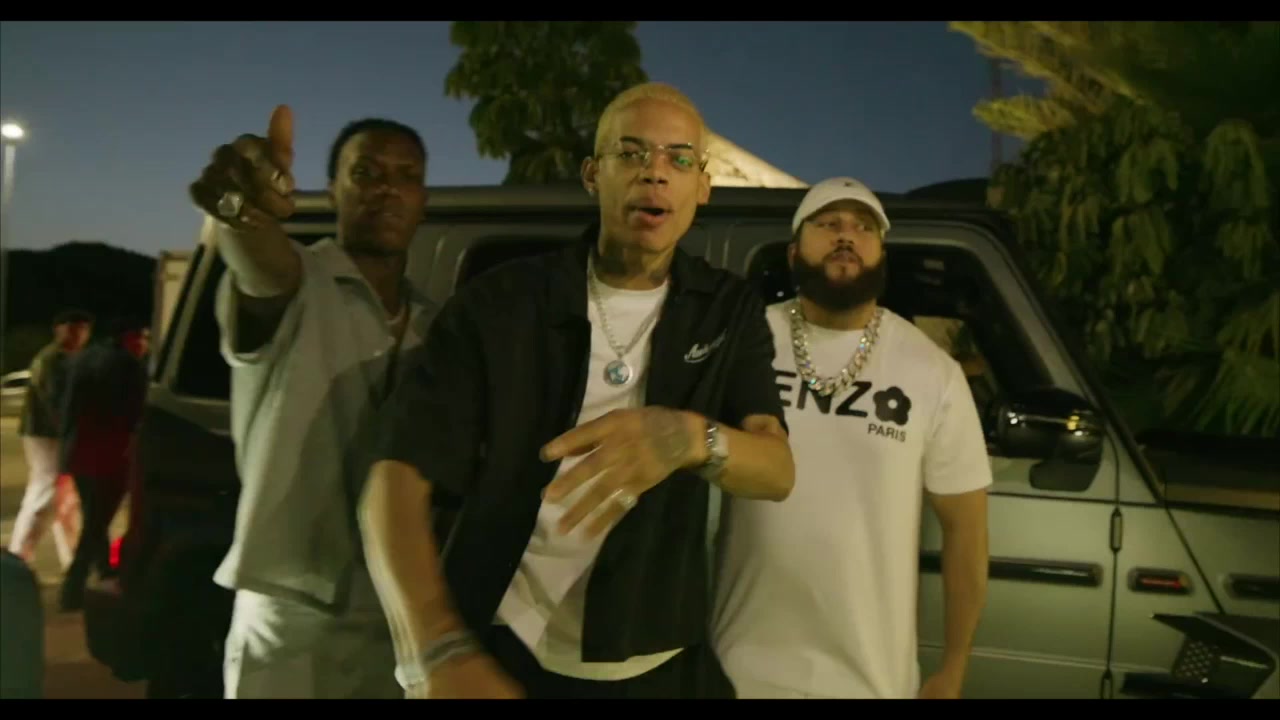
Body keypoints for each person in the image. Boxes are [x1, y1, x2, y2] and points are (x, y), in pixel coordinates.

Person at [359, 82, 795, 700]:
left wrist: (688, 437)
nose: (654, 173)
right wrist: (435, 649)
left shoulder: (728, 308)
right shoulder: (503, 301)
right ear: (593, 175)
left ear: (702, 187)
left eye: (679, 160)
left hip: (653, 659)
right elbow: (396, 472)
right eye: (631, 153)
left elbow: (776, 468)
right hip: (500, 646)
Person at [186, 106, 434, 699]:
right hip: (289, 614)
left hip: (395, 611)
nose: (387, 190)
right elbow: (258, 262)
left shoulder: (433, 323)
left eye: (406, 176)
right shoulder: (301, 281)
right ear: (332, 190)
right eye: (366, 173)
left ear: (423, 200)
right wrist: (239, 208)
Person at [712, 177, 992, 699]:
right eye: (828, 223)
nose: (846, 235)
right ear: (794, 252)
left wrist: (953, 667)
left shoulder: (932, 371)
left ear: (882, 255)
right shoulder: (746, 341)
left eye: (863, 227)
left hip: (871, 681)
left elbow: (967, 532)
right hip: (736, 670)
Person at [57, 316, 148, 611]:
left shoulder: (82, 359)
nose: (143, 344)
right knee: (97, 522)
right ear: (128, 337)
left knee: (94, 516)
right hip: (110, 453)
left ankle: (103, 570)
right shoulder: (127, 365)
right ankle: (73, 588)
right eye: (141, 337)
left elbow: (66, 408)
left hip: (80, 451)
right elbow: (135, 411)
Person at [8, 309, 93, 563]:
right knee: (46, 490)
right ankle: (18, 555)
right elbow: (56, 402)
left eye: (82, 328)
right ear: (58, 330)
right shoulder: (52, 359)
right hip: (46, 433)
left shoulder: (71, 358)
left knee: (63, 498)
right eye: (72, 328)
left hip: (57, 433)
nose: (77, 333)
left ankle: (70, 558)